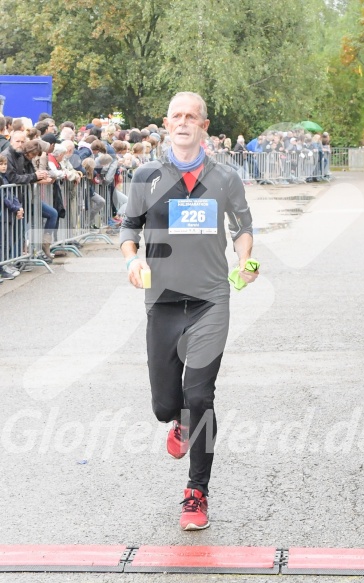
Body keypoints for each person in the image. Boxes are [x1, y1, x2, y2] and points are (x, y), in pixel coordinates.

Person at [120, 91, 259, 531]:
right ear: (166, 123)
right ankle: (176, 422)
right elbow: (129, 227)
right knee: (166, 404)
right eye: (176, 116)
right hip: (161, 301)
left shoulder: (225, 178)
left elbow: (243, 228)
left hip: (210, 299)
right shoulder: (146, 174)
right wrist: (131, 258)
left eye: (191, 116)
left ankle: (196, 493)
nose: (183, 122)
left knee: (200, 396)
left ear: (204, 124)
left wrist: (245, 259)